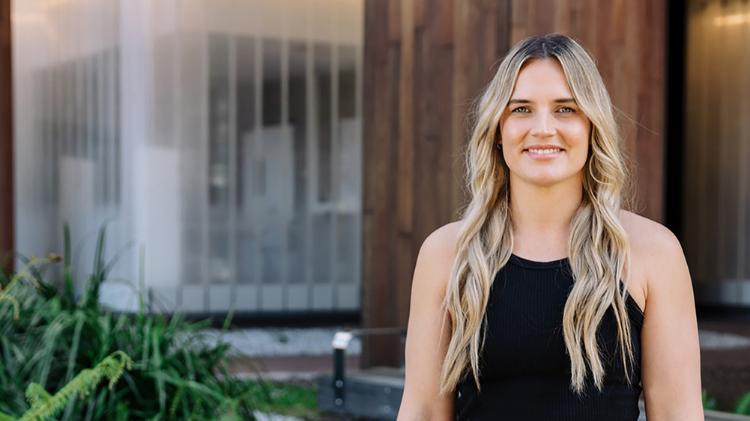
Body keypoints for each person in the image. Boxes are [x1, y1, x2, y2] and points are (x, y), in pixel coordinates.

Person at [396, 34, 703, 421]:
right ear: (497, 128)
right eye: (521, 109)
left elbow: (678, 414)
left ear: (593, 125)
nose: (542, 128)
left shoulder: (652, 253)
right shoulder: (446, 253)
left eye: (565, 109)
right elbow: (423, 410)